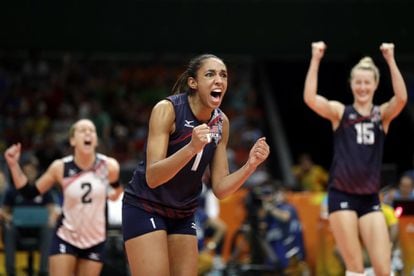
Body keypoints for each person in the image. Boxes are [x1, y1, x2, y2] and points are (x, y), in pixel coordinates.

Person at [122, 54, 270, 276]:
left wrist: (250, 165)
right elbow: (153, 177)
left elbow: (220, 188)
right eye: (210, 74)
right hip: (146, 205)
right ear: (193, 82)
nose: (219, 80)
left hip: (183, 212)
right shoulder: (167, 109)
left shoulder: (222, 123)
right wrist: (191, 147)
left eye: (223, 75)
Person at [304, 41, 407, 276]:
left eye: (367, 83)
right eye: (358, 82)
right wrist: (316, 59)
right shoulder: (341, 113)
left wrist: (390, 59)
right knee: (356, 268)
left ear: (375, 85)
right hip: (342, 196)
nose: (362, 87)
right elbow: (310, 98)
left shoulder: (381, 115)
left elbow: (401, 99)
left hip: (370, 197)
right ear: (351, 84)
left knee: (384, 269)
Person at [3, 118, 123, 276]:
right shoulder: (60, 167)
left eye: (91, 130)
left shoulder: (109, 166)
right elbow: (29, 193)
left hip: (95, 239)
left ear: (95, 140)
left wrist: (108, 193)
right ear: (73, 140)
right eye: (82, 130)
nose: (88, 133)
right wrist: (13, 165)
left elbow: (116, 194)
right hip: (66, 236)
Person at [1, 155, 58, 276]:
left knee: (48, 229)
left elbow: (52, 209)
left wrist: (51, 219)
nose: (29, 173)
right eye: (26, 170)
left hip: (39, 229)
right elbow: (4, 211)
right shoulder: (12, 190)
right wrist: (9, 217)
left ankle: (44, 271)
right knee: (9, 229)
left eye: (32, 170)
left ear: (36, 171)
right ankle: (10, 272)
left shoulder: (44, 189)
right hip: (18, 229)